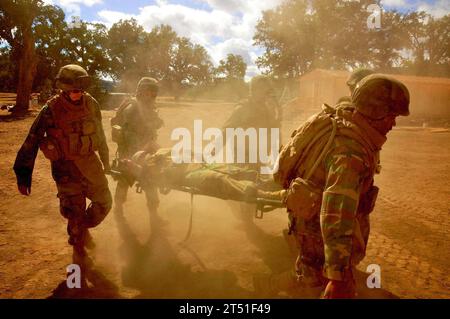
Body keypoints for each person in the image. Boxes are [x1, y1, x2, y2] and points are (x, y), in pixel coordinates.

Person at [258, 74, 410, 298]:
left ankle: (266, 285)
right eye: (392, 115)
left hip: (308, 216)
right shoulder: (351, 153)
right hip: (315, 227)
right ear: (375, 112)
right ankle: (266, 287)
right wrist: (337, 275)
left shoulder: (343, 122)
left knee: (308, 273)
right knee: (312, 280)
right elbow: (335, 213)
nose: (393, 123)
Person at [13, 64, 112, 265]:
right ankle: (78, 249)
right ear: (63, 88)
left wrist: (106, 162)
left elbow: (100, 136)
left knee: (104, 203)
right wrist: (23, 175)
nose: (78, 94)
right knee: (74, 212)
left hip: (90, 165)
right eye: (74, 90)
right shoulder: (50, 110)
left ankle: (81, 229)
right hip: (65, 169)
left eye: (81, 90)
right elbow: (31, 141)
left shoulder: (91, 104)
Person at [111, 77, 164, 230]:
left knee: (151, 182)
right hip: (130, 153)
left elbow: (150, 127)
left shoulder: (149, 106)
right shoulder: (132, 107)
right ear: (141, 91)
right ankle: (118, 209)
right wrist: (138, 154)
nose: (152, 94)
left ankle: (154, 216)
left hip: (145, 153)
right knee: (124, 181)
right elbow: (130, 132)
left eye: (154, 92)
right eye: (149, 91)